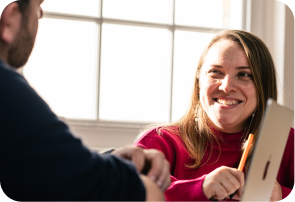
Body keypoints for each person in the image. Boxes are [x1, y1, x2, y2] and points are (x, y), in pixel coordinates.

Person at [0, 0, 170, 201]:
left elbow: (50, 168)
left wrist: (108, 160)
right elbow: (141, 193)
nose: (41, 15)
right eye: (37, 7)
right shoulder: (8, 89)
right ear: (9, 19)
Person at [134, 30, 295, 202]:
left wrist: (282, 196)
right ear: (199, 80)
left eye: (244, 75)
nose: (226, 87)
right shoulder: (160, 143)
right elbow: (131, 195)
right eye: (215, 72)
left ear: (262, 86)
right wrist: (200, 189)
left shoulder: (289, 144)